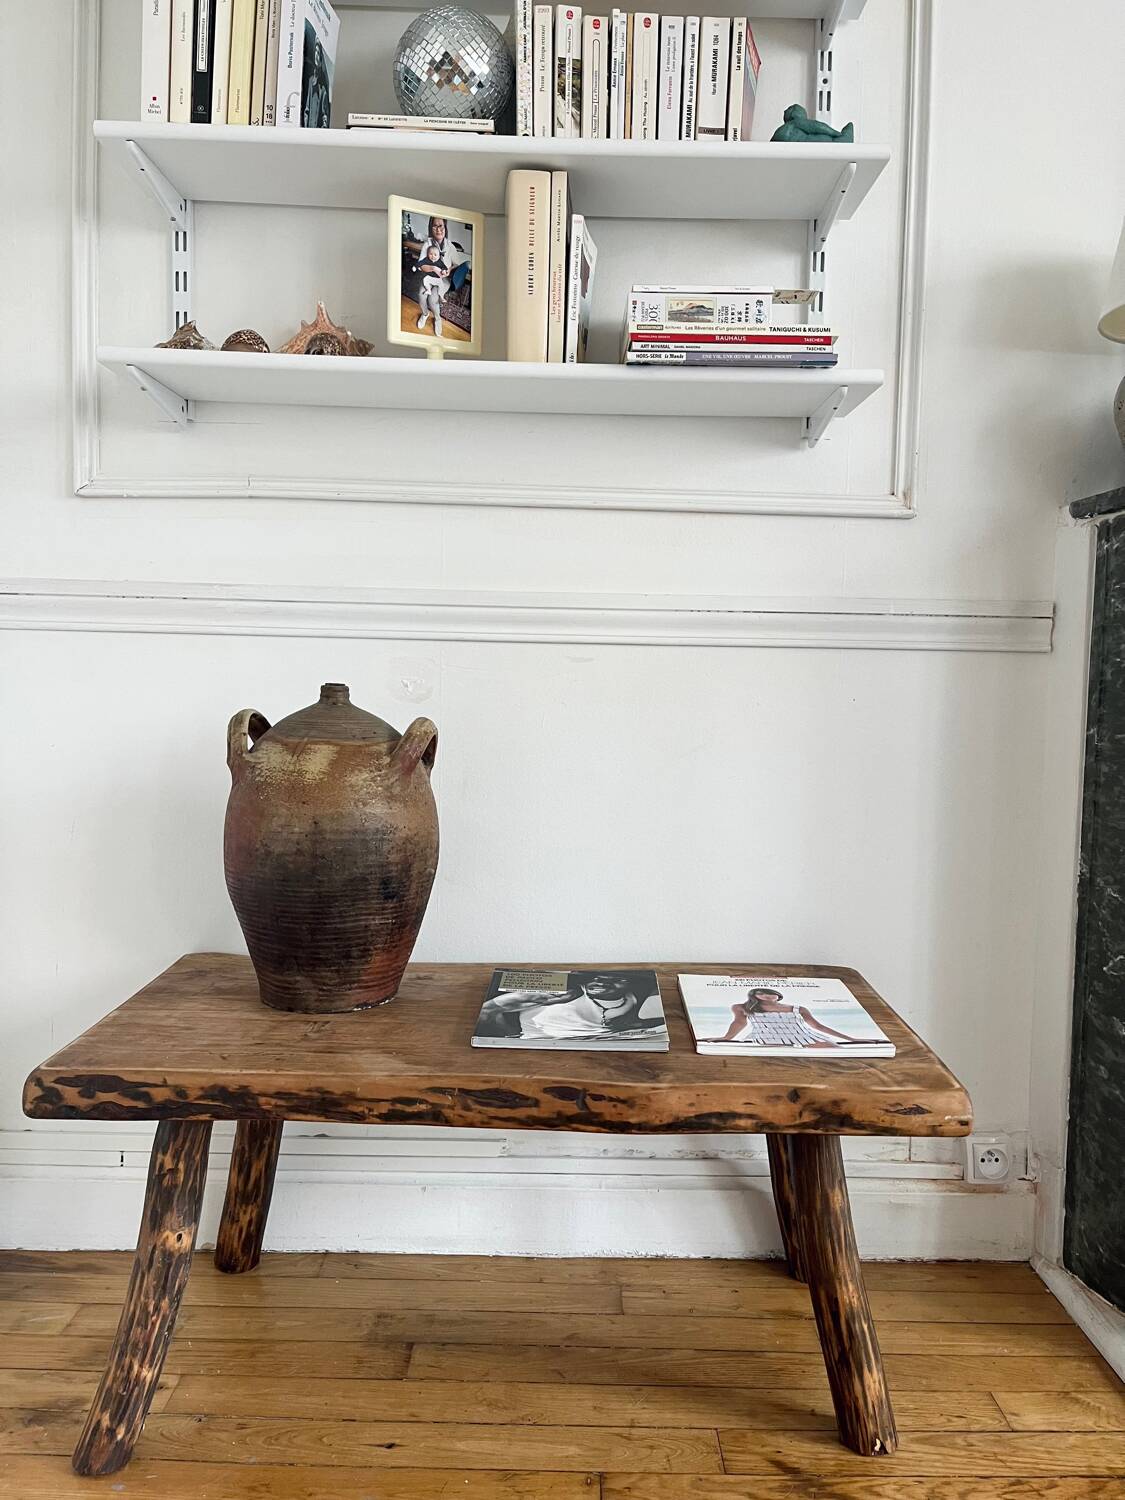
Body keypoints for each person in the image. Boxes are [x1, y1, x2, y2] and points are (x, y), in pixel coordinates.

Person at [478, 971, 664, 1041]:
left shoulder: (631, 999)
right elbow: (488, 1011)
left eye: (619, 979)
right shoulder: (564, 993)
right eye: (598, 977)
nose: (603, 982)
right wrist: (515, 1036)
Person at [710, 986, 860, 1048]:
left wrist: (852, 1039)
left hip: (804, 1037)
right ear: (754, 996)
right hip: (766, 1038)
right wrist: (726, 1038)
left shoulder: (799, 1008)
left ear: (777, 995)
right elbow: (738, 1023)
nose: (766, 996)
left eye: (769, 993)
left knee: (835, 1049)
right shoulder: (743, 1007)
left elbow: (818, 1027)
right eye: (760, 993)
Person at [414, 242, 449, 336]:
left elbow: (455, 265)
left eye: (441, 227)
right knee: (421, 295)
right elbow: (421, 265)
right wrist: (433, 268)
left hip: (442, 279)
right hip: (429, 277)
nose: (438, 230)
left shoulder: (450, 247)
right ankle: (425, 314)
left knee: (432, 300)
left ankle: (437, 318)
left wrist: (446, 271)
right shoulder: (427, 245)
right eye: (435, 227)